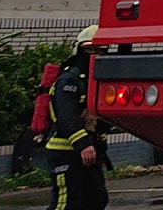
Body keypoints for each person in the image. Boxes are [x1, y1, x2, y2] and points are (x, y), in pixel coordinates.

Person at [43, 26, 107, 210]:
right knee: (67, 203)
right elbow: (66, 116)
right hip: (66, 153)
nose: (95, 55)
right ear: (79, 50)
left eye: (100, 50)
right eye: (90, 49)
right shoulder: (68, 81)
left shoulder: (93, 82)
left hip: (89, 154)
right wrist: (83, 144)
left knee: (96, 200)